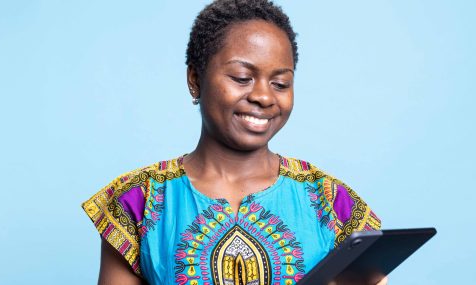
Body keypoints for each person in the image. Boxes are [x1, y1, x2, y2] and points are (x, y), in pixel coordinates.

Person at [82, 1, 386, 284]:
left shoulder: (330, 201)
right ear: (195, 79)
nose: (264, 97)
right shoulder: (137, 201)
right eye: (242, 77)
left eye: (280, 83)